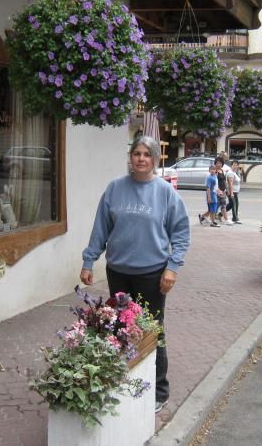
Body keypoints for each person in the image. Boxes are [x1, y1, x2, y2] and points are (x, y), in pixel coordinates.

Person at [80, 135, 191, 414]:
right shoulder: (115, 189)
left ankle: (159, 390)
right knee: (119, 328)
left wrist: (172, 268)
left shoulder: (165, 193)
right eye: (136, 153)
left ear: (155, 159)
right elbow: (100, 229)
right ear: (130, 157)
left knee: (153, 330)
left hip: (152, 276)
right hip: (118, 273)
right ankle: (125, 380)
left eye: (146, 154)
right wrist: (88, 260)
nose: (141, 158)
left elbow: (181, 233)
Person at [214, 157, 233, 225]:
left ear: (222, 164)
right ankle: (226, 219)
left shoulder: (222, 171)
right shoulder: (215, 171)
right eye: (217, 163)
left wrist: (226, 189)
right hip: (217, 192)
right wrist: (218, 191)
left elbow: (224, 181)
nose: (219, 164)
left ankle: (203, 217)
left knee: (220, 205)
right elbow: (215, 182)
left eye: (220, 163)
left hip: (223, 191)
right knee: (220, 206)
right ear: (215, 163)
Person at [226, 160, 243, 224]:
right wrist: (231, 193)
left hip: (235, 191)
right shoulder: (230, 173)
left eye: (236, 165)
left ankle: (220, 214)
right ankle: (235, 218)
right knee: (235, 204)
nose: (235, 166)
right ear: (231, 165)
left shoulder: (234, 172)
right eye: (234, 165)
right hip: (232, 191)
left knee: (231, 205)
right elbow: (230, 183)